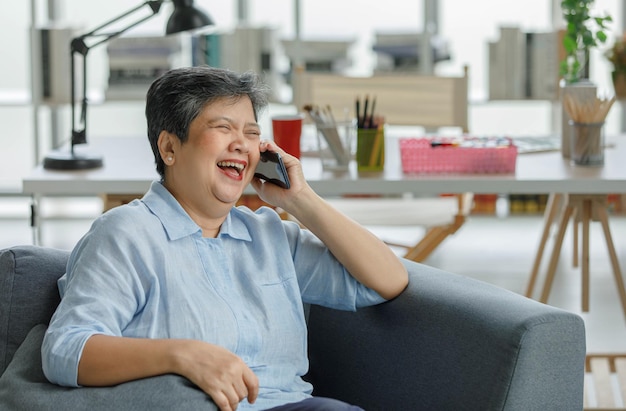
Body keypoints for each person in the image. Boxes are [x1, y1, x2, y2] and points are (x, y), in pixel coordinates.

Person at [41, 66, 408, 411]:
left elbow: (386, 281)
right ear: (169, 147)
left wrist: (301, 200)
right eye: (223, 127)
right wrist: (181, 355)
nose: (242, 145)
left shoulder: (269, 235)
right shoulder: (126, 234)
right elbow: (66, 350)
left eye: (251, 133)